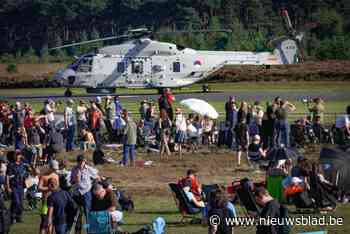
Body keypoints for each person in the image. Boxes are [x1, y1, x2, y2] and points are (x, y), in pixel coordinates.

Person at [70, 154, 99, 233]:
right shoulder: (74, 169)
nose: (81, 163)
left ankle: (89, 231)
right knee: (77, 214)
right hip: (77, 194)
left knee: (87, 214)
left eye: (82, 161)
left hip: (86, 194)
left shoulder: (88, 169)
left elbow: (96, 176)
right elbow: (71, 181)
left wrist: (93, 186)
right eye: (79, 161)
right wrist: (75, 180)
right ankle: (77, 231)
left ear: (84, 161)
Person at [38, 160, 60, 234]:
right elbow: (39, 187)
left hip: (55, 202)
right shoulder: (43, 176)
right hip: (46, 202)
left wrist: (56, 188)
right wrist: (49, 188)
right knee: (44, 222)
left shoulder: (56, 175)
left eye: (55, 169)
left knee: (52, 222)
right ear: (50, 167)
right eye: (53, 169)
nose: (54, 170)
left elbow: (57, 187)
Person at [6, 151, 26, 223]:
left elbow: (24, 173)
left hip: (21, 186)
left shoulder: (22, 164)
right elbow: (7, 176)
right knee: (16, 201)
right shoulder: (11, 165)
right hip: (14, 186)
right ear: (15, 156)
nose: (19, 156)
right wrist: (8, 187)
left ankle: (18, 216)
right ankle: (12, 216)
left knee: (20, 202)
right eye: (18, 155)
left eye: (20, 155)